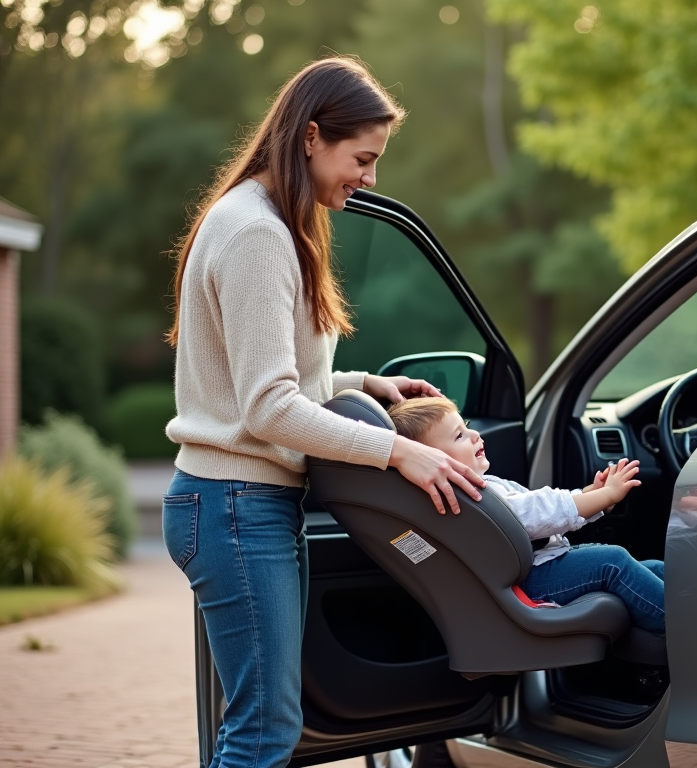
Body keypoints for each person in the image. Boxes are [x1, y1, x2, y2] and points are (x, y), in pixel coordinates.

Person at [161, 57, 485, 768]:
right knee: (264, 731)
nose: (370, 178)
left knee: (261, 723)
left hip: (245, 505)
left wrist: (368, 384)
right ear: (311, 136)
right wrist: (399, 451)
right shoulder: (257, 234)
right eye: (362, 158)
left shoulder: (270, 221)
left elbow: (276, 379)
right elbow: (269, 407)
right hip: (234, 504)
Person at [387, 397, 666, 634]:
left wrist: (591, 495)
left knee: (653, 567)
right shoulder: (468, 495)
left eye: (467, 427)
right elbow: (536, 513)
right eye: (459, 436)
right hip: (530, 580)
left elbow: (540, 505)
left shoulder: (479, 487)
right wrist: (605, 496)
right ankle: (686, 630)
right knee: (612, 562)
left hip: (539, 566)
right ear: (430, 461)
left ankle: (695, 613)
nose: (474, 436)